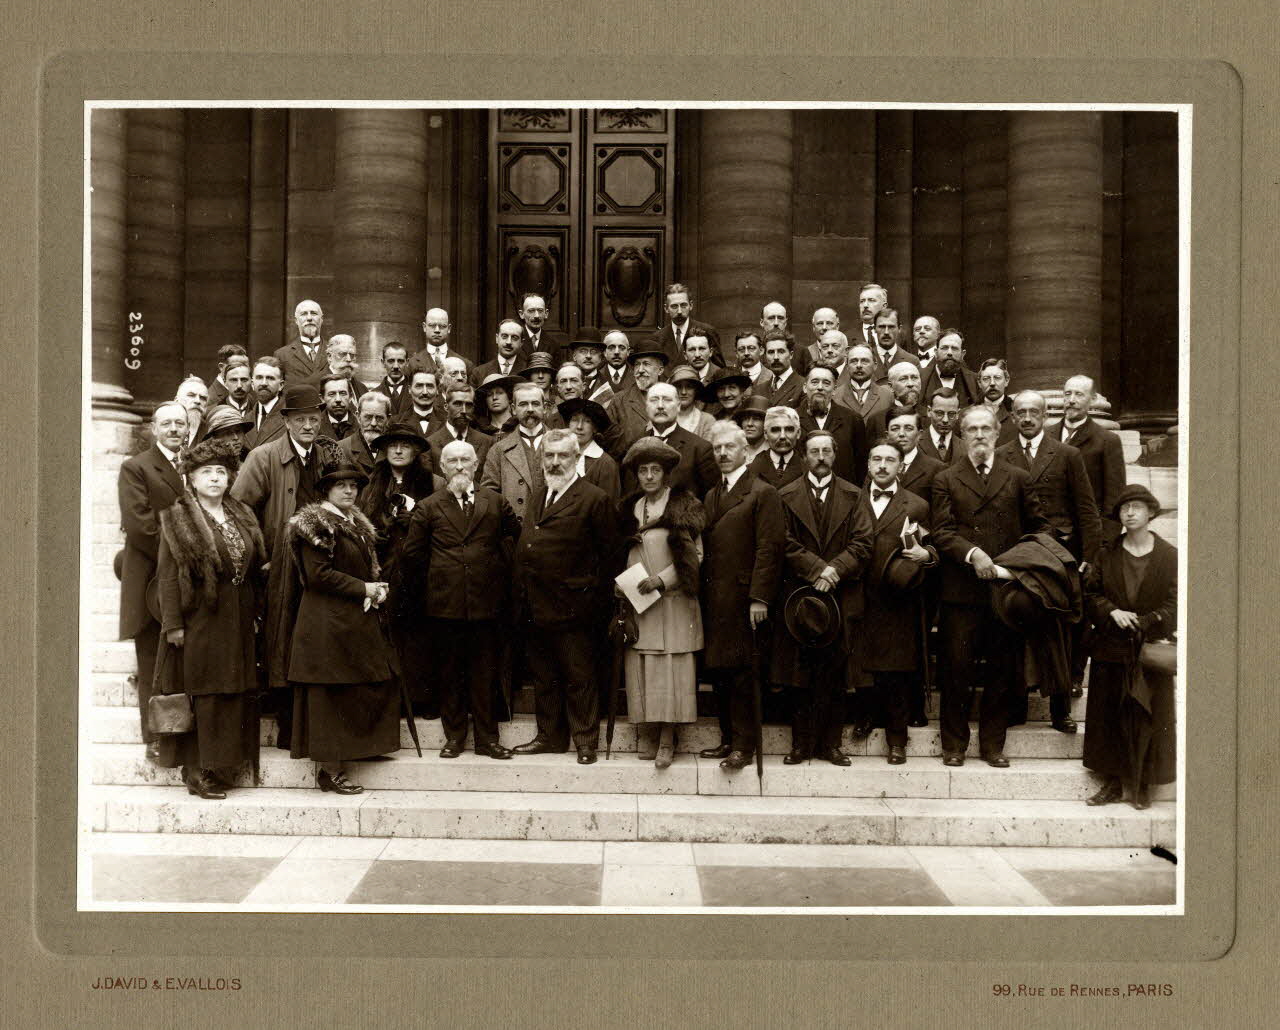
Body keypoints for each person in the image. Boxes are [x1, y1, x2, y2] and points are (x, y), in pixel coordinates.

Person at [931, 406, 1049, 767]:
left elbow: (1038, 529)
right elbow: (942, 532)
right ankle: (954, 745)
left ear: (998, 433)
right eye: (971, 429)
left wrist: (1015, 567)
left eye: (986, 428)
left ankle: (993, 746)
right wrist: (973, 555)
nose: (979, 435)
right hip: (961, 591)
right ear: (962, 436)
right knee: (956, 668)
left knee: (1002, 670)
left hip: (1006, 591)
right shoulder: (946, 478)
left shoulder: (1018, 477)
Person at [281, 446, 401, 794]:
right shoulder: (316, 525)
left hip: (349, 620)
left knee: (357, 688)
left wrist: (373, 588)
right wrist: (365, 587)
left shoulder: (354, 523)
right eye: (341, 485)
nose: (349, 490)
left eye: (353, 485)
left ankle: (360, 749)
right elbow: (318, 575)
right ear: (326, 491)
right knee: (329, 696)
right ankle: (329, 771)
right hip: (325, 623)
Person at [153, 437, 266, 799]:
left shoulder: (241, 514)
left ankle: (221, 765)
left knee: (232, 690)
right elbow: (168, 577)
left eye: (221, 472)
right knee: (205, 691)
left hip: (237, 616)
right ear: (193, 479)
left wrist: (255, 613)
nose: (216, 479)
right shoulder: (179, 518)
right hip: (200, 618)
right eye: (207, 473)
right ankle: (196, 770)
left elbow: (251, 570)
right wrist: (173, 625)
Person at [397, 440, 523, 760]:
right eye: (452, 461)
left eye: (465, 460)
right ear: (442, 468)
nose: (459, 467)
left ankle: (487, 739)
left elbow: (516, 543)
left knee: (485, 673)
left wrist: (497, 579)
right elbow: (412, 557)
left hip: (486, 603)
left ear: (477, 464)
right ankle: (454, 737)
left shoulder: (495, 502)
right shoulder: (428, 506)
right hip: (445, 605)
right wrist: (432, 591)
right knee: (450, 673)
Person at [230, 383, 329, 749]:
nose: (308, 425)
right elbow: (239, 513)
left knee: (314, 644)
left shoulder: (325, 457)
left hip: (318, 568)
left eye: (313, 419)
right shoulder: (264, 457)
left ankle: (310, 725)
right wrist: (264, 558)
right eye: (300, 419)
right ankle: (289, 728)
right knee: (283, 643)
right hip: (280, 570)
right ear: (286, 421)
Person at [511, 430, 619, 764]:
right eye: (550, 456)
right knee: (545, 676)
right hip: (535, 604)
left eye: (563, 456)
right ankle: (550, 737)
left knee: (579, 677)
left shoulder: (594, 498)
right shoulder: (540, 494)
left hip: (575, 607)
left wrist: (590, 602)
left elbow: (609, 557)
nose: (555, 462)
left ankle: (585, 741)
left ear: (576, 458)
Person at [999, 389, 1103, 734]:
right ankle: (1015, 706)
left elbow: (1087, 509)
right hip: (1019, 556)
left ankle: (1061, 711)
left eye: (1034, 412)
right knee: (1014, 629)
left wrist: (1089, 557)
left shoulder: (1067, 454)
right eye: (1020, 413)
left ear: (1045, 417)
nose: (1027, 418)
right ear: (1012, 418)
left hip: (1059, 557)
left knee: (1058, 632)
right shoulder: (1003, 454)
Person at [772, 430, 872, 766]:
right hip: (800, 594)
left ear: (835, 455)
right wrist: (817, 569)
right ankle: (801, 744)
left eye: (826, 451)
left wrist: (835, 570)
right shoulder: (785, 495)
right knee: (800, 673)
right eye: (813, 451)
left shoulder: (854, 494)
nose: (820, 457)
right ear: (804, 456)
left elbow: (863, 542)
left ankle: (831, 744)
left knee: (835, 671)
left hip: (840, 594)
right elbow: (782, 542)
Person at [1081, 485, 1177, 810]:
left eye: (1137, 507)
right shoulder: (1107, 553)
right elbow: (1091, 594)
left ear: (1151, 512)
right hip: (1112, 646)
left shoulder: (1170, 556)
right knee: (1109, 714)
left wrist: (1149, 620)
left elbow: (1176, 602)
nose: (1130, 513)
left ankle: (1142, 785)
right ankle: (1111, 782)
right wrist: (1112, 612)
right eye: (1124, 508)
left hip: (1149, 649)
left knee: (1148, 713)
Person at [698, 422, 786, 769]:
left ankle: (744, 745)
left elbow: (770, 549)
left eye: (729, 448)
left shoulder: (762, 493)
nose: (722, 454)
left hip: (744, 599)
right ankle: (726, 738)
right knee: (720, 672)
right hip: (715, 598)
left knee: (743, 674)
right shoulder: (711, 494)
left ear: (745, 452)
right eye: (717, 448)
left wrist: (760, 598)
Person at [616, 438, 706, 769]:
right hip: (639, 603)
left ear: (667, 474)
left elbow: (696, 554)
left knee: (670, 668)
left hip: (673, 602)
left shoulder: (683, 505)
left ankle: (669, 737)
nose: (649, 476)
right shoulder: (629, 508)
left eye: (656, 470)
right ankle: (649, 731)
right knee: (642, 668)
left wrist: (663, 580)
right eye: (643, 470)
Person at [858, 441, 938, 763]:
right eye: (876, 459)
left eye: (889, 460)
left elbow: (932, 546)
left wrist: (926, 555)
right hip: (860, 594)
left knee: (896, 670)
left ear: (901, 467)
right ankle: (863, 718)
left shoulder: (916, 505)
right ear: (867, 464)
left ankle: (897, 740)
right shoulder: (853, 499)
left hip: (897, 597)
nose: (882, 465)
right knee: (861, 665)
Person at [117, 401, 189, 756]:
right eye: (167, 423)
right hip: (151, 579)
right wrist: (188, 549)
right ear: (154, 429)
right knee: (151, 661)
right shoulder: (136, 467)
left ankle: (177, 733)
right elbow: (140, 526)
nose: (174, 428)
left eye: (180, 423)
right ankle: (155, 738)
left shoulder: (193, 468)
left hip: (183, 583)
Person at [619, 383, 718, 498]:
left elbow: (710, 499)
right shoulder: (633, 445)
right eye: (654, 400)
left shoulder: (700, 448)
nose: (660, 406)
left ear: (678, 406)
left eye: (667, 400)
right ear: (646, 407)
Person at [481, 380, 549, 522]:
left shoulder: (562, 444)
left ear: (545, 407)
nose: (530, 409)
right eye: (523, 404)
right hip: (516, 532)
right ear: (513, 409)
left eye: (535, 403)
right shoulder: (499, 450)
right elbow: (488, 496)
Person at [798, 363, 867, 485]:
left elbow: (861, 466)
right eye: (814, 382)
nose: (820, 387)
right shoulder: (792, 419)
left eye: (826, 383)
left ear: (834, 389)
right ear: (805, 387)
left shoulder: (852, 419)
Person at [559, 397, 621, 499]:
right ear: (568, 424)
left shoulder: (605, 464)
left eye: (587, 421)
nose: (579, 426)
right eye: (574, 420)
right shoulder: (559, 456)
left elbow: (609, 508)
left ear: (595, 428)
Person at [648, 282, 722, 365]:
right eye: (674, 306)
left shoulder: (708, 331)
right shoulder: (657, 338)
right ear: (666, 308)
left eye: (683, 305)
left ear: (691, 305)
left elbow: (719, 370)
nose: (679, 311)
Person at [428, 383, 493, 476]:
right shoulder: (431, 444)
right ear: (446, 407)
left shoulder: (487, 442)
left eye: (469, 405)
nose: (464, 410)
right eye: (458, 404)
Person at [749, 405, 806, 489]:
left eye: (789, 429)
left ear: (798, 433)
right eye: (775, 430)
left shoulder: (808, 470)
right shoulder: (749, 471)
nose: (782, 436)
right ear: (765, 434)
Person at [919, 330, 980, 407]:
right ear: (936, 352)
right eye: (944, 348)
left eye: (954, 348)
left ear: (962, 354)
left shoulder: (974, 380)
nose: (949, 353)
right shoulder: (919, 378)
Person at [408, 306, 474, 377]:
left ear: (449, 328)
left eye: (442, 326)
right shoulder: (412, 363)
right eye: (432, 325)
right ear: (424, 327)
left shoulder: (464, 364)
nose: (437, 330)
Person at [275, 299, 328, 384]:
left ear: (321, 319)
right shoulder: (282, 355)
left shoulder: (333, 351)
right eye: (304, 314)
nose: (309, 318)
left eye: (313, 313)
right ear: (296, 321)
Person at [340, 390, 392, 475]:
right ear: (358, 417)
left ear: (388, 419)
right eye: (368, 417)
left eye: (379, 418)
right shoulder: (341, 449)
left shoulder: (395, 450)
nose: (373, 423)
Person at [305, 335, 367, 404]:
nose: (349, 359)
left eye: (352, 355)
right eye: (342, 354)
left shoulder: (362, 388)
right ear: (329, 357)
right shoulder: (312, 387)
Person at [243, 357, 286, 450]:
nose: (264, 383)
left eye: (270, 378)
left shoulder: (290, 417)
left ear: (281, 385)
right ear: (252, 383)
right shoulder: (245, 420)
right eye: (259, 377)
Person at [471, 318, 529, 386]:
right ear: (497, 338)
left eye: (514, 338)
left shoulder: (528, 371)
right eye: (504, 336)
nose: (508, 342)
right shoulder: (479, 372)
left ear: (521, 342)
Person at [870, 308, 919, 385]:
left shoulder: (912, 361)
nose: (886, 332)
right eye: (882, 327)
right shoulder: (865, 359)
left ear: (899, 328)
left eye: (891, 327)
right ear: (874, 329)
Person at [668, 364, 718, 440]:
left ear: (696, 390)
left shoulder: (707, 421)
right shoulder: (662, 417)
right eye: (679, 386)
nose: (683, 392)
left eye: (689, 387)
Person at [917, 386, 963, 465]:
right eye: (939, 413)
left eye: (951, 414)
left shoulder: (965, 448)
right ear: (929, 411)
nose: (945, 420)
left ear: (958, 414)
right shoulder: (915, 444)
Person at [977, 358, 1018, 446]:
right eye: (986, 378)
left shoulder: (1018, 413)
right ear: (979, 383)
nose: (992, 383)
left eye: (997, 378)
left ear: (1006, 380)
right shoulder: (966, 414)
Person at [764, 329, 804, 409]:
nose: (776, 357)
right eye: (771, 352)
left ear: (791, 354)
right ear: (765, 356)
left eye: (781, 352)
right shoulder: (759, 388)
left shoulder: (803, 386)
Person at [375, 341, 415, 415]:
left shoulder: (417, 392)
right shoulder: (374, 394)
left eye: (400, 361)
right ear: (383, 362)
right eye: (391, 361)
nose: (396, 366)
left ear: (407, 362)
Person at [407, 369, 446, 439]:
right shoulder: (396, 422)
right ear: (409, 389)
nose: (425, 392)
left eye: (430, 386)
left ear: (437, 390)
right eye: (419, 386)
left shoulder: (447, 421)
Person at [317, 373, 356, 441]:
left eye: (342, 393)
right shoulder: (314, 426)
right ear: (322, 398)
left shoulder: (361, 426)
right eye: (332, 394)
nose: (338, 399)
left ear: (350, 397)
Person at [731, 394, 770, 461]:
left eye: (756, 419)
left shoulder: (773, 451)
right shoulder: (733, 450)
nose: (749, 424)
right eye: (746, 419)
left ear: (766, 423)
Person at [175, 376, 210, 446]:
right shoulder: (159, 430)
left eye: (203, 398)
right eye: (191, 395)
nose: (198, 401)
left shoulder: (211, 433)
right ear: (177, 401)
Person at [853, 283, 888, 351]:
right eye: (862, 301)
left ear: (884, 306)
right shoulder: (847, 336)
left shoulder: (897, 336)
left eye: (871, 300)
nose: (865, 305)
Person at [600, 330, 635, 394]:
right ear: (604, 352)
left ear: (628, 352)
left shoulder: (636, 375)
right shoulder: (596, 376)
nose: (616, 352)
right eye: (611, 348)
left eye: (622, 348)